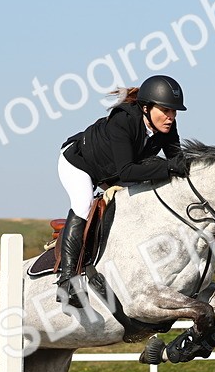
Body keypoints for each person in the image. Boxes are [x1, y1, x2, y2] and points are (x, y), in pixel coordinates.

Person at [55, 75, 190, 307]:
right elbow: (128, 171)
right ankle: (67, 281)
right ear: (146, 108)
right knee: (84, 203)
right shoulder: (123, 121)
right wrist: (168, 167)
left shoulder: (167, 126)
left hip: (112, 170)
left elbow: (177, 162)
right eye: (166, 111)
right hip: (78, 163)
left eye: (174, 112)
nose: (171, 117)